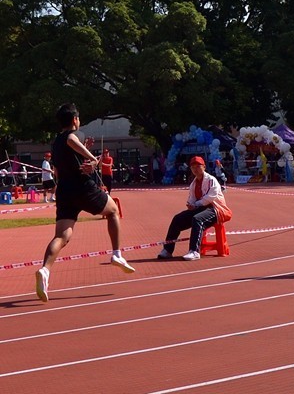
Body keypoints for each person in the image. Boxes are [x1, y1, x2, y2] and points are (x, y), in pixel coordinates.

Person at [35, 103, 135, 302]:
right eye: (78, 119)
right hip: (82, 187)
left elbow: (58, 168)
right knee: (113, 211)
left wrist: (83, 154)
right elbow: (72, 140)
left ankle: (45, 270)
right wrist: (92, 158)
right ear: (74, 120)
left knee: (62, 236)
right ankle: (116, 254)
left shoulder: (55, 143)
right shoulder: (74, 134)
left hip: (64, 190)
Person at [158, 156, 223, 260]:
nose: (195, 169)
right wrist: (190, 204)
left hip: (216, 209)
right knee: (177, 219)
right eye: (193, 167)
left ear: (204, 167)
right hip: (200, 208)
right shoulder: (193, 183)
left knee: (197, 219)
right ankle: (167, 250)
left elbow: (210, 197)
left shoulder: (211, 180)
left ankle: (194, 251)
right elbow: (191, 198)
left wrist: (196, 204)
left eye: (198, 166)